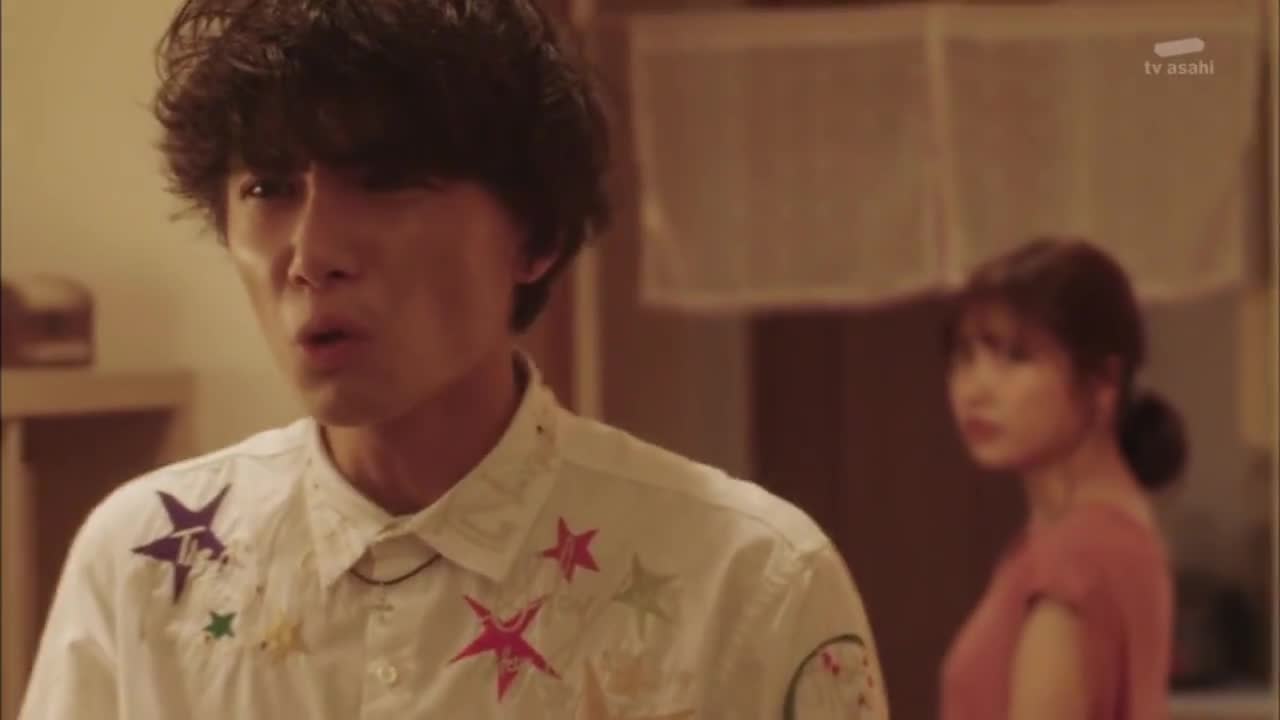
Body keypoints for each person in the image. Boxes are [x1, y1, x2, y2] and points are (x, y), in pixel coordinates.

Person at [19, 1, 888, 718]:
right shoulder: (144, 561)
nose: (312, 253)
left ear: (534, 237)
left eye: (386, 180)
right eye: (268, 189)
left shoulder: (750, 579)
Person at [939, 238, 1184, 720]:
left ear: (1103, 380)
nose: (974, 389)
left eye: (1015, 357)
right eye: (964, 357)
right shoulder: (1112, 534)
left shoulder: (1074, 560)